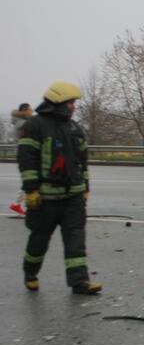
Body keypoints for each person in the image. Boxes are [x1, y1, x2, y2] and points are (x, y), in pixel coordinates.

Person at [17, 81, 101, 295]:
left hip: (73, 197)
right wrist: (31, 190)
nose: (73, 106)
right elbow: (27, 160)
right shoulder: (34, 126)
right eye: (70, 102)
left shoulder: (74, 128)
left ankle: (79, 282)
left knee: (76, 241)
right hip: (45, 199)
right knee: (39, 240)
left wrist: (85, 188)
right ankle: (30, 273)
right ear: (57, 102)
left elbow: (83, 161)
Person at [9, 103, 34, 216]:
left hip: (26, 154)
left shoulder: (23, 122)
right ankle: (18, 204)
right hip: (25, 154)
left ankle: (18, 204)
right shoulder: (22, 123)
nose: (32, 110)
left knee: (31, 180)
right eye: (30, 109)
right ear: (24, 111)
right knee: (31, 180)